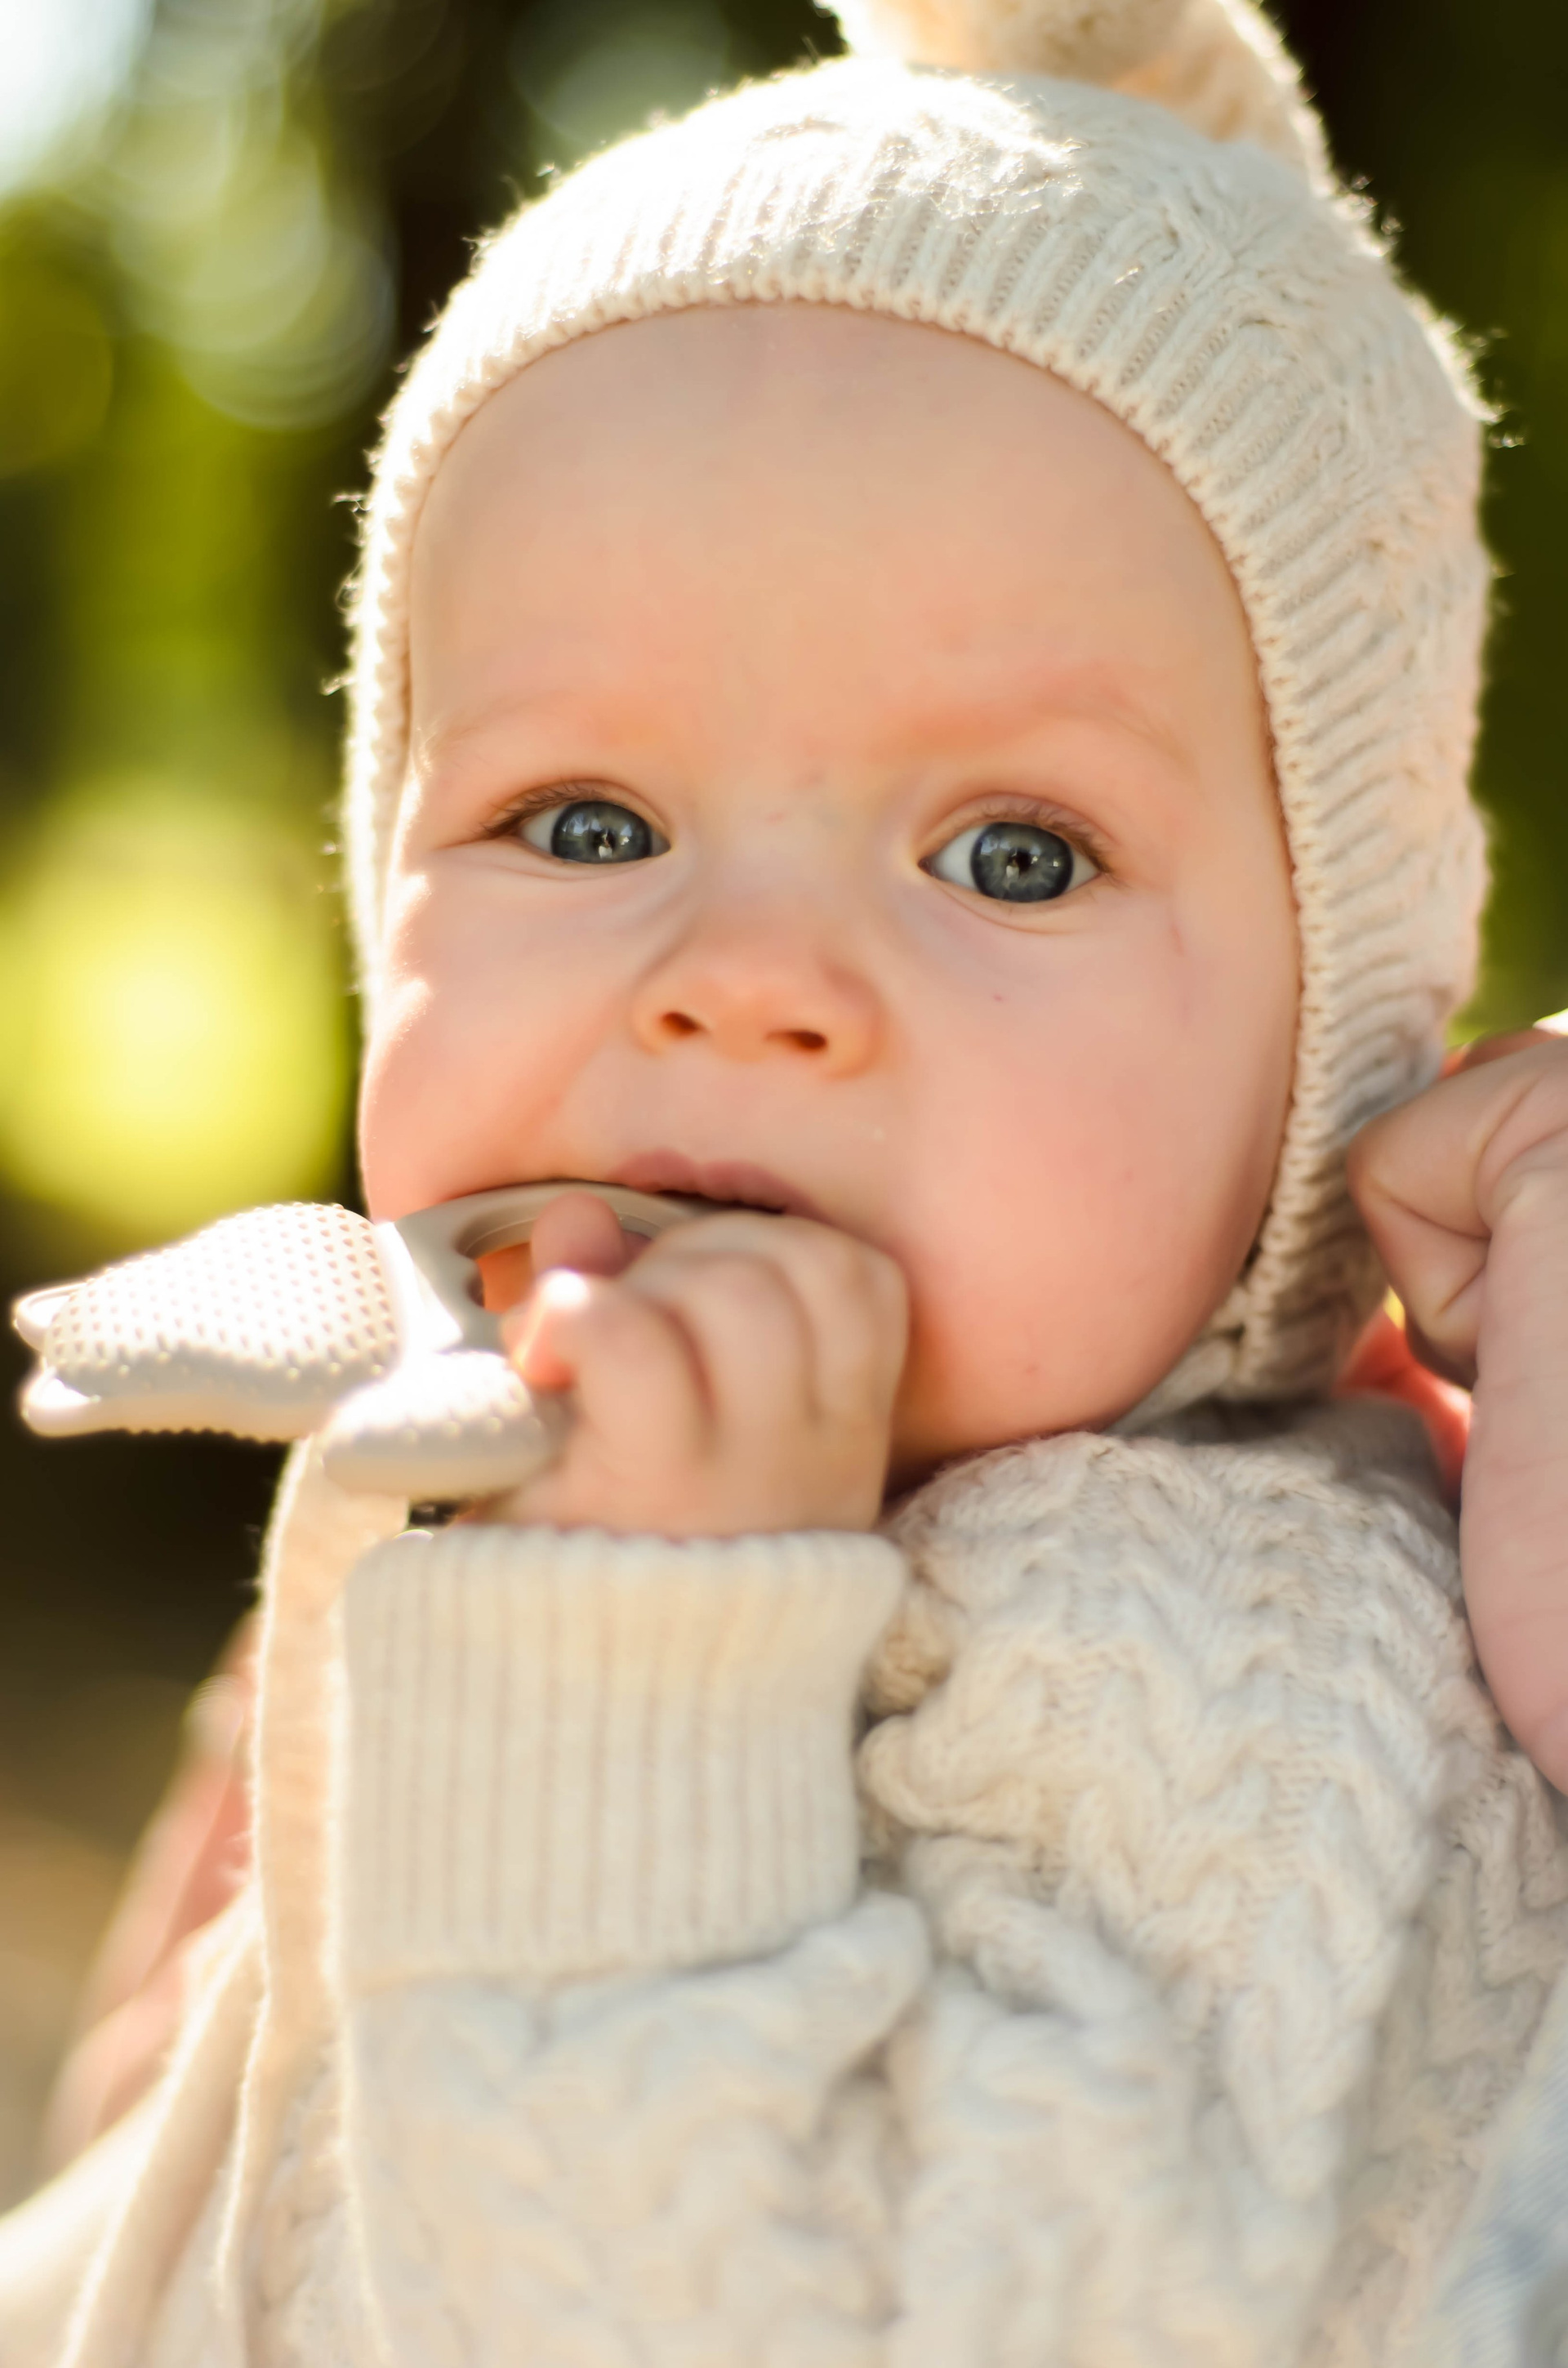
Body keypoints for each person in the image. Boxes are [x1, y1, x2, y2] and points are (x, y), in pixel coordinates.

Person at [3, 0, 1568, 2357]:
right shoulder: (464, 1490)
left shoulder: (1228, 1650)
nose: (742, 982)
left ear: (1328, 1051)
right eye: (583, 822)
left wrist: (637, 1683)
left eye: (1013, 853)